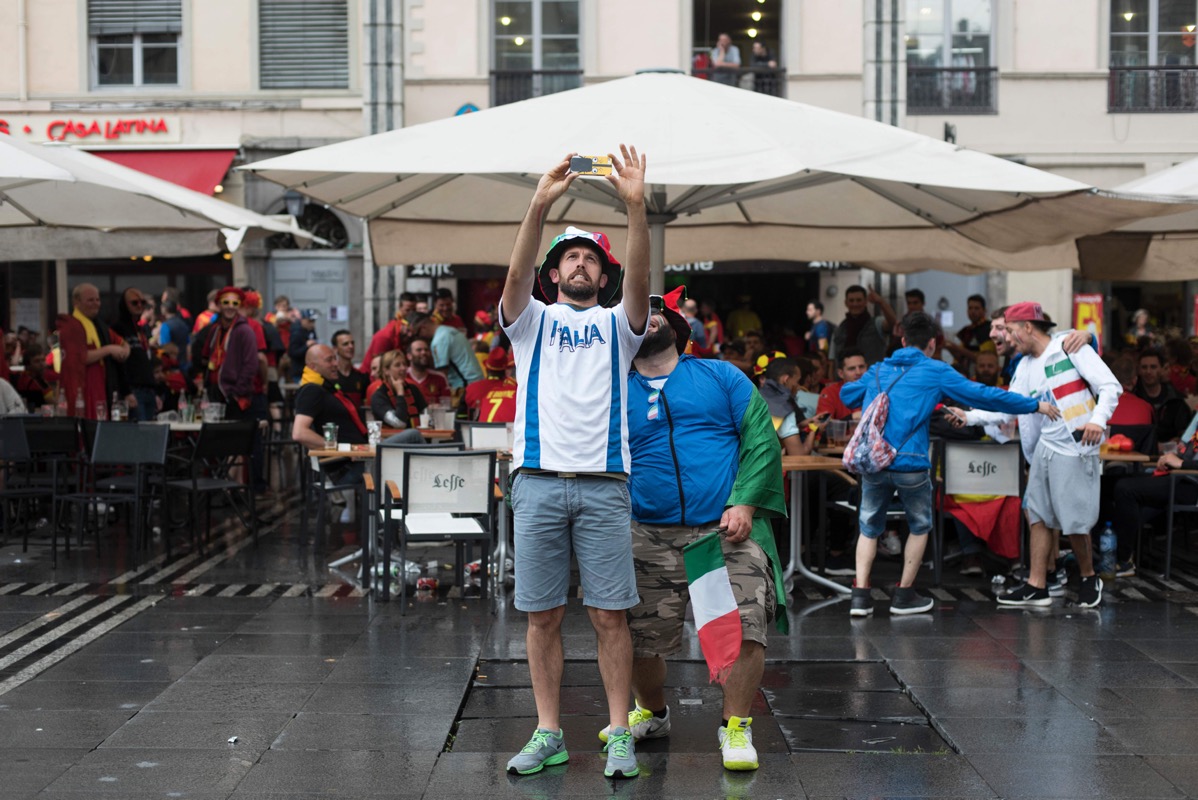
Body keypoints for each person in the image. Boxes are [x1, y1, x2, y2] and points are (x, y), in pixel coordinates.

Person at [500, 145, 649, 779]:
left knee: (610, 615)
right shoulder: (530, 321)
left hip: (604, 486)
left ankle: (619, 733)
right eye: (570, 257)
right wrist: (539, 205)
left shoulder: (620, 325)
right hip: (536, 482)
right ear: (554, 273)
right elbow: (514, 276)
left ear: (603, 275)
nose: (580, 262)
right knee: (542, 616)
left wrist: (636, 209)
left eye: (591, 257)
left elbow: (640, 280)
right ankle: (548, 732)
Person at [614, 288, 787, 772]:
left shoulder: (722, 376)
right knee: (635, 640)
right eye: (639, 312)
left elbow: (762, 440)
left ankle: (736, 727)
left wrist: (744, 502)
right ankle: (652, 712)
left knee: (747, 625)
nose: (648, 316)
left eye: (657, 310)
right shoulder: (613, 389)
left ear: (677, 327)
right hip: (645, 533)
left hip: (725, 530)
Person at [844, 311, 1055, 616]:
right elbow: (983, 395)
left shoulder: (878, 370)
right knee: (919, 526)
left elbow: (848, 395)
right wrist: (1033, 404)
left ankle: (860, 598)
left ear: (902, 340)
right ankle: (904, 596)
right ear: (932, 343)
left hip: (875, 464)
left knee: (869, 528)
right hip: (911, 464)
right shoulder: (935, 371)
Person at [951, 302, 1120, 609]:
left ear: (1028, 327)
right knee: (1037, 515)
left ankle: (1088, 577)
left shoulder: (1068, 347)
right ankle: (1037, 585)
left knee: (1075, 520)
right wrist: (970, 417)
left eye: (1010, 330)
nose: (1007, 338)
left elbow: (1110, 386)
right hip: (1045, 447)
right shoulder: (1025, 366)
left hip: (1075, 447)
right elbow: (1008, 407)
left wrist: (1097, 421)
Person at [56, 283, 129, 419]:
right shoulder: (72, 326)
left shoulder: (98, 325)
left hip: (100, 386)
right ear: (76, 302)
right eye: (90, 300)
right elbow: (82, 357)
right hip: (83, 388)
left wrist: (124, 351)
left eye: (97, 300)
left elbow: (122, 343)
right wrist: (109, 349)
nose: (96, 304)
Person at [197, 287, 258, 416]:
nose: (230, 306)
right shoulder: (215, 330)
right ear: (219, 305)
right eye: (226, 302)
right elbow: (204, 358)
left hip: (233, 396)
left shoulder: (245, 331)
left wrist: (237, 393)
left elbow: (251, 365)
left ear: (239, 306)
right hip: (214, 394)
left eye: (235, 303)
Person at [111, 287, 158, 420]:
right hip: (133, 390)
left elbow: (145, 361)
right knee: (139, 430)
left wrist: (156, 391)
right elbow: (118, 363)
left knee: (149, 430)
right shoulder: (118, 328)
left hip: (148, 389)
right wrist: (126, 391)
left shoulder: (141, 329)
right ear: (125, 305)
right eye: (134, 302)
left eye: (142, 302)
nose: (139, 305)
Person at [408, 311, 483, 390]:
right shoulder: (448, 330)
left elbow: (442, 375)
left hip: (466, 385)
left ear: (423, 327)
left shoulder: (439, 341)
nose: (419, 337)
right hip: (477, 380)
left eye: (417, 334)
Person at [1134, 348, 1190, 444]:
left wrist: (1179, 439)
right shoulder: (1133, 397)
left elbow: (1185, 432)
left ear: (1161, 369)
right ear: (1139, 370)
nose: (1148, 371)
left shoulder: (1176, 400)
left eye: (1153, 367)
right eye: (1144, 367)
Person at [370, 349, 427, 443]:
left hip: (416, 440)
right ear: (386, 370)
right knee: (413, 434)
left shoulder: (413, 389)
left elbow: (427, 416)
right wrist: (400, 393)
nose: (403, 368)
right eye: (397, 365)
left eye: (404, 364)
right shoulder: (379, 396)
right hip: (390, 443)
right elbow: (399, 423)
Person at [830, 285, 895, 365]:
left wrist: (881, 301)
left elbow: (893, 323)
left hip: (873, 372)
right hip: (846, 372)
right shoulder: (839, 330)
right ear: (846, 303)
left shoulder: (876, 323)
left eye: (859, 300)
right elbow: (832, 360)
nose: (855, 304)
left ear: (865, 302)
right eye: (851, 300)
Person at [360, 292, 418, 372]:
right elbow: (377, 368)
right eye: (407, 310)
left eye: (414, 310)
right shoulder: (385, 337)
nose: (411, 314)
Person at [463, 346, 517, 423]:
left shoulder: (471, 388)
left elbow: (461, 418)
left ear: (486, 369)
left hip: (475, 428)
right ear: (506, 371)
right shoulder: (517, 392)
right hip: (505, 429)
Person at [946, 294, 994, 373]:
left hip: (984, 373)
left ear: (984, 310)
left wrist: (957, 348)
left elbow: (985, 359)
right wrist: (949, 347)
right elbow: (960, 358)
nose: (973, 311)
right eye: (970, 308)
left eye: (976, 308)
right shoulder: (966, 330)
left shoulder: (989, 329)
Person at [816, 348, 867, 421]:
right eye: (852, 369)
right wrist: (851, 417)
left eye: (861, 367)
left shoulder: (878, 389)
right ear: (841, 373)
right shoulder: (830, 392)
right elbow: (822, 423)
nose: (858, 372)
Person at [405, 337, 451, 405]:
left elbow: (447, 404)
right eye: (419, 350)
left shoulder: (439, 377)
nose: (424, 352)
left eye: (426, 350)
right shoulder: (403, 376)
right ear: (409, 356)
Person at [331, 330, 370, 408]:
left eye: (352, 343)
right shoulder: (330, 377)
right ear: (335, 349)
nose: (351, 346)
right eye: (345, 344)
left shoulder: (362, 376)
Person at [158, 298, 191, 373]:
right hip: (184, 363)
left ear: (165, 309)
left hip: (172, 365)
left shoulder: (165, 326)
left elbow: (166, 347)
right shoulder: (183, 324)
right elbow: (188, 345)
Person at [287, 310, 319, 380]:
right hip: (299, 370)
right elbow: (292, 352)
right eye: (309, 321)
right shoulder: (296, 332)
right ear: (303, 320)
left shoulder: (311, 331)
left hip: (310, 369)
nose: (312, 324)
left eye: (313, 321)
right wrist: (306, 346)